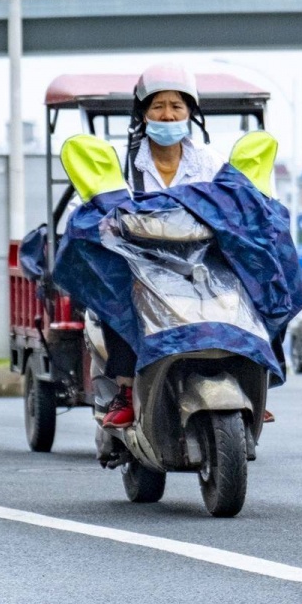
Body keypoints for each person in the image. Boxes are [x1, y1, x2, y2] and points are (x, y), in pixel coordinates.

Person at [101, 62, 226, 428]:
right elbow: (92, 207)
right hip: (140, 265)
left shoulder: (210, 163)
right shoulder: (121, 165)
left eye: (177, 106)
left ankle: (250, 374)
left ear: (191, 113)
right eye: (158, 106)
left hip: (202, 263)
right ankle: (125, 389)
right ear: (143, 113)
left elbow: (239, 205)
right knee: (117, 292)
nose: (168, 115)